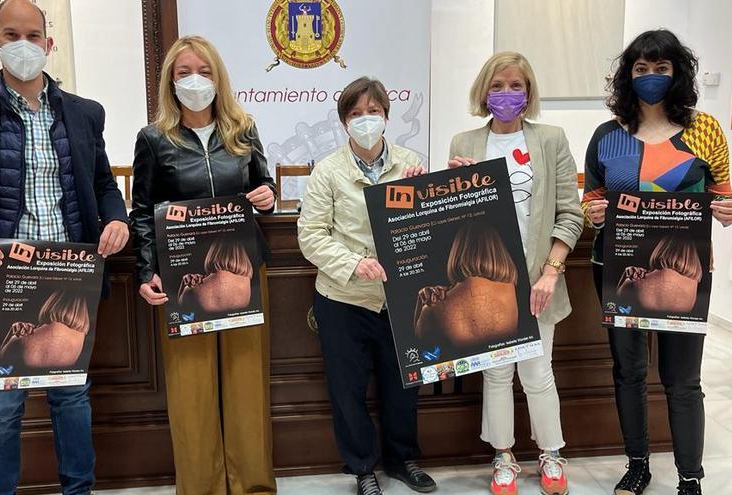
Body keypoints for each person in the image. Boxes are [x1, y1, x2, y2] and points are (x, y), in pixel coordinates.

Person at [0, 0, 129, 493]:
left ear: (48, 44)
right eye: (11, 35)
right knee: (1, 404)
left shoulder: (84, 113)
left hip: (65, 275)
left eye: (33, 35)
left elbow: (103, 185)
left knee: (71, 396)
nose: (23, 44)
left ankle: (78, 490)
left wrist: (117, 218)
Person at [582, 29, 732, 495]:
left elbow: (724, 199)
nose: (651, 77)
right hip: (618, 268)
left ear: (678, 74)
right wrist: (594, 211)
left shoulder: (705, 129)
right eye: (641, 68)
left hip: (685, 270)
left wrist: (730, 211)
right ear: (628, 76)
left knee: (682, 378)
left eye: (661, 68)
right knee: (628, 370)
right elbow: (593, 198)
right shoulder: (607, 136)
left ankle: (690, 476)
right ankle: (638, 464)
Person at [130, 35, 277, 495]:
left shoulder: (243, 128)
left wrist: (268, 197)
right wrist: (145, 270)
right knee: (191, 389)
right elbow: (142, 211)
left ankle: (253, 485)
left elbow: (263, 187)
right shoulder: (154, 139)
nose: (195, 80)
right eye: (184, 72)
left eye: (205, 71)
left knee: (246, 385)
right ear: (170, 82)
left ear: (219, 77)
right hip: (184, 278)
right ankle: (201, 488)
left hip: (242, 273)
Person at [448, 51, 584, 495]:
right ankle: (503, 457)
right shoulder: (464, 144)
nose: (506, 94)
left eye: (516, 86)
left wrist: (551, 272)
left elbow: (570, 213)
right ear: (483, 91)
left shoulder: (551, 139)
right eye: (498, 85)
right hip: (489, 281)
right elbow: (451, 223)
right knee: (496, 374)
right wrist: (450, 192)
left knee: (537, 373)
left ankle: (550, 454)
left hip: (538, 280)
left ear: (529, 92)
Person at [297, 76, 436, 495]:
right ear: (343, 122)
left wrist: (424, 190)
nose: (365, 120)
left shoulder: (411, 162)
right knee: (348, 389)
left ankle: (402, 459)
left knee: (403, 384)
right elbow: (311, 235)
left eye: (373, 112)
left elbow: (432, 229)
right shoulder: (327, 171)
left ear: (387, 117)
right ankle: (362, 467)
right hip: (343, 299)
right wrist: (355, 263)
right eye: (355, 114)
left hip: (400, 299)